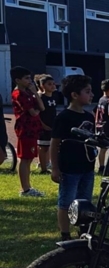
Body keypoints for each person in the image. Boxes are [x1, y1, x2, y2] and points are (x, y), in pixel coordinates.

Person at [50, 75, 96, 241]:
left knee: (85, 202)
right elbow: (54, 144)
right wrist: (55, 168)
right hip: (69, 168)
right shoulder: (63, 117)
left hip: (87, 168)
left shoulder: (89, 116)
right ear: (74, 95)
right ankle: (65, 234)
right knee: (66, 202)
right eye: (87, 91)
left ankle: (84, 231)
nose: (92, 95)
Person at [11, 66, 45, 197]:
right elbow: (33, 111)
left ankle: (28, 187)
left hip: (32, 129)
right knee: (25, 158)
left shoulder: (29, 92)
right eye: (26, 78)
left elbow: (41, 107)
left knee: (29, 158)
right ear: (17, 80)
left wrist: (35, 93)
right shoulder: (18, 94)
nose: (29, 80)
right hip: (25, 129)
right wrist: (36, 110)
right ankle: (25, 189)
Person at [36, 74, 59, 174]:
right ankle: (43, 168)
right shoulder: (41, 97)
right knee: (43, 147)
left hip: (52, 125)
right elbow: (38, 114)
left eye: (53, 84)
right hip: (43, 126)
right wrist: (42, 124)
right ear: (42, 86)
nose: (53, 86)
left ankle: (49, 163)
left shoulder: (55, 96)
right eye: (49, 84)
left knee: (51, 145)